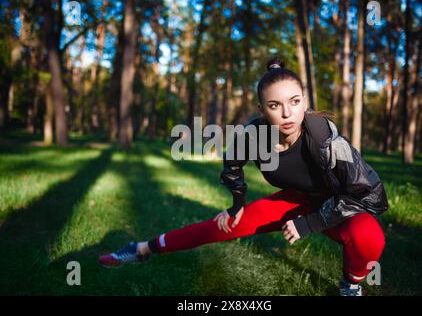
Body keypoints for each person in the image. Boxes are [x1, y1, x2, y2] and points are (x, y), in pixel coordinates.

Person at [99, 57, 389, 296]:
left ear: (304, 102)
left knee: (368, 236)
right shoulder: (253, 135)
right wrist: (237, 205)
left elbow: (371, 194)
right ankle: (141, 249)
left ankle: (350, 284)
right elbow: (232, 168)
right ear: (262, 110)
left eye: (295, 101)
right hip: (294, 202)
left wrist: (311, 222)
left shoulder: (324, 137)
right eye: (275, 106)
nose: (287, 113)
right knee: (221, 226)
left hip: (340, 206)